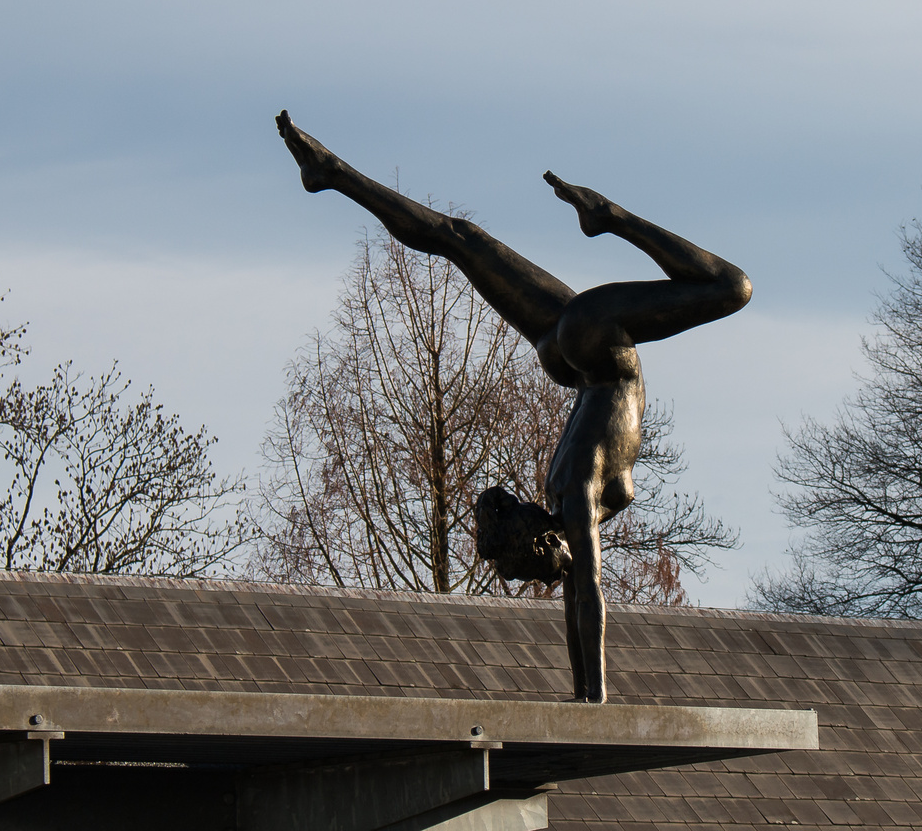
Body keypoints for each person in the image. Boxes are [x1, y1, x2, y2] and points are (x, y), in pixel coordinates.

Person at [275, 111, 750, 703]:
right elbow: (583, 596)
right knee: (461, 239)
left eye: (545, 574)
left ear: (549, 543)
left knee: (732, 288)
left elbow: (590, 596)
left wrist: (593, 702)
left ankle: (612, 219)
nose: (558, 581)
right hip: (570, 355)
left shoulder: (574, 494)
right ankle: (334, 174)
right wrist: (584, 699)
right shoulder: (561, 493)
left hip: (595, 344)